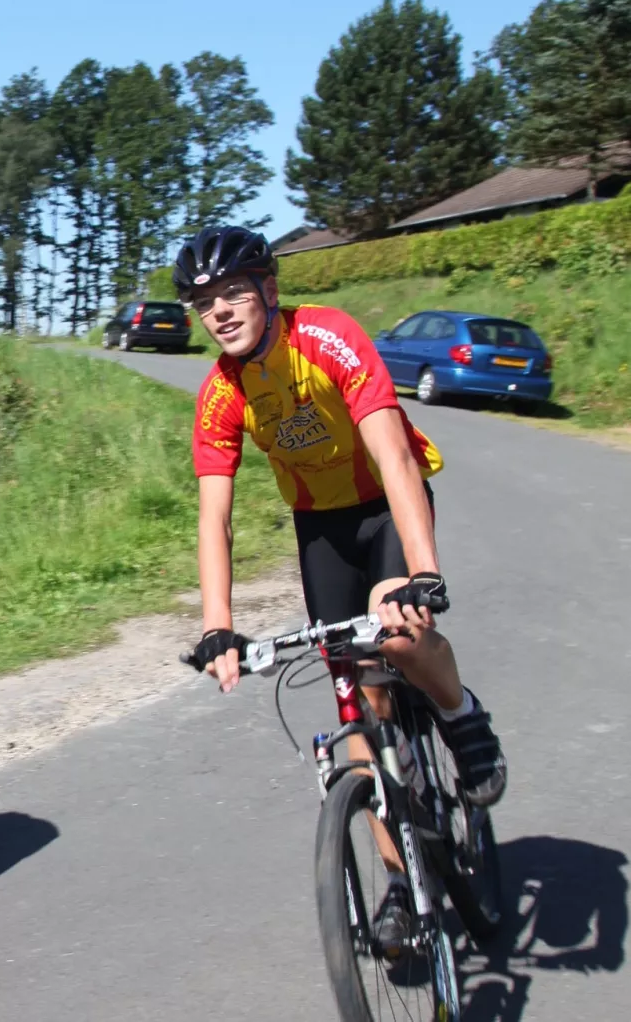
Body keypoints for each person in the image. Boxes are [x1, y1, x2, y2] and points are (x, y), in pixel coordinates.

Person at [177, 225, 507, 951]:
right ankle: (397, 882)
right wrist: (217, 626)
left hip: (386, 506)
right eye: (205, 302)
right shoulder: (220, 395)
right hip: (320, 530)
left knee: (396, 629)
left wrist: (423, 571)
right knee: (357, 701)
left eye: (233, 292)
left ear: (268, 289)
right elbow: (214, 516)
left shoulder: (328, 338)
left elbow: (392, 455)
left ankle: (461, 714)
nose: (221, 312)